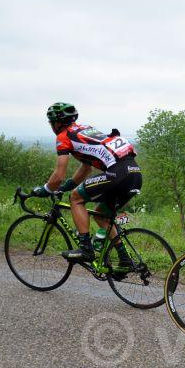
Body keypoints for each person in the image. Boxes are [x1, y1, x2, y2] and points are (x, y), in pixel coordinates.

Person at [33, 102, 142, 265]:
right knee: (101, 215)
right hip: (135, 174)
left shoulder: (63, 137)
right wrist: (65, 187)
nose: (51, 126)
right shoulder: (85, 129)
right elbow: (85, 168)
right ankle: (125, 259)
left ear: (57, 123)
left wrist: (46, 190)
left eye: (51, 122)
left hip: (117, 174)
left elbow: (58, 175)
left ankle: (86, 249)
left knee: (76, 198)